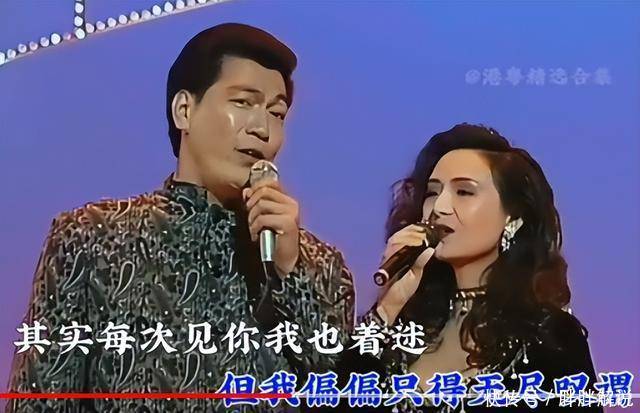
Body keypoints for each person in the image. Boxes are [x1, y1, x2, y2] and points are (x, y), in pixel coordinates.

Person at [7, 23, 354, 413]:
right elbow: (41, 398)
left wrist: (292, 271)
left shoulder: (322, 267)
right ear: (184, 110)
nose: (262, 129)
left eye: (277, 113)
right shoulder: (92, 237)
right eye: (243, 102)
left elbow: (341, 393)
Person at [331, 124, 602, 412]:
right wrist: (388, 307)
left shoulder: (550, 337)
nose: (440, 207)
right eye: (432, 193)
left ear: (513, 218)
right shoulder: (401, 328)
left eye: (463, 192)